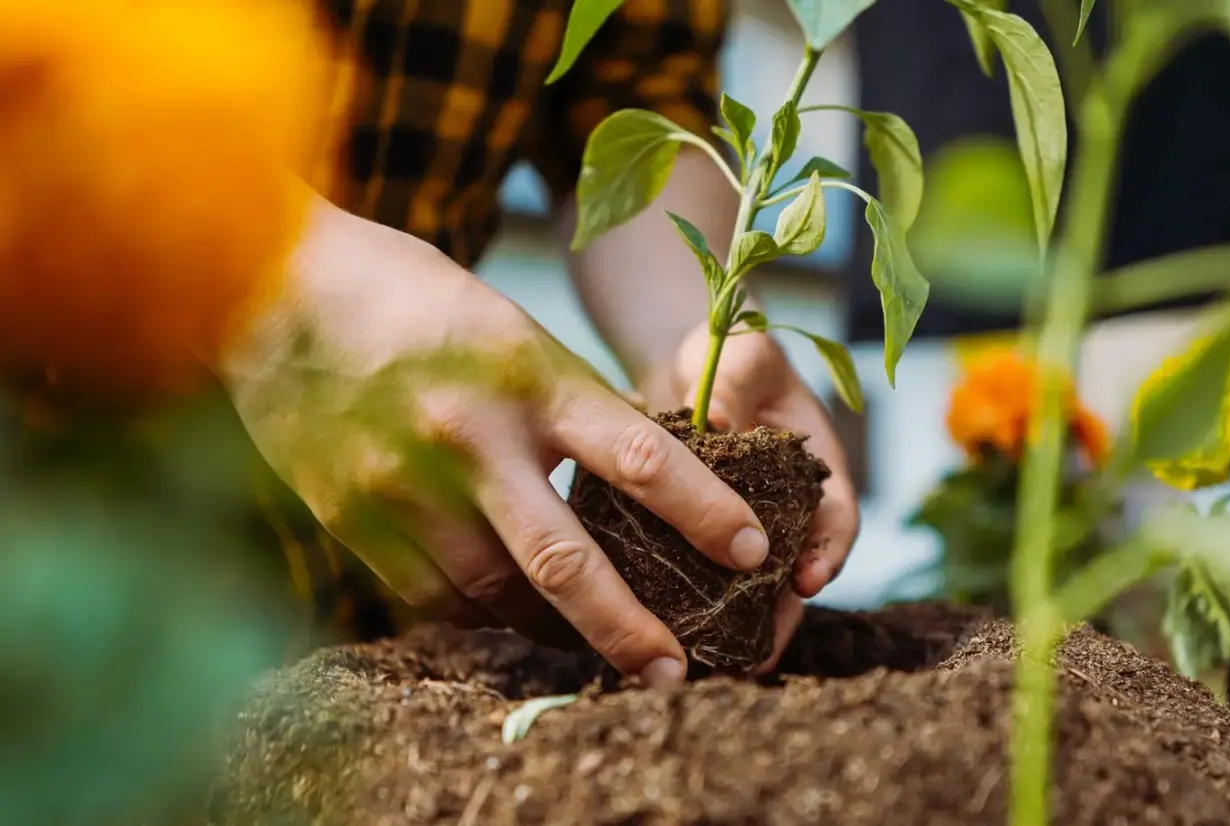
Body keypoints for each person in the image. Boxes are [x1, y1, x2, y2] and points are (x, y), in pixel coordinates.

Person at [211, 0, 859, 688]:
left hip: (399, 553)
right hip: (105, 477)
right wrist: (268, 273)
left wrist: (696, 332)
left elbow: (633, 101)